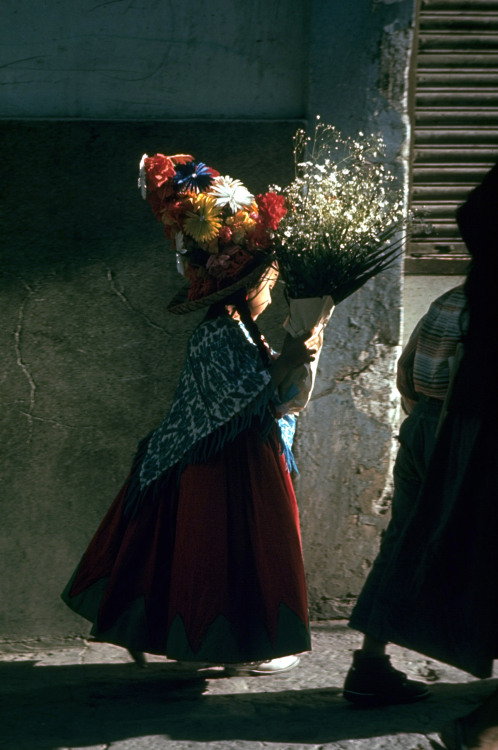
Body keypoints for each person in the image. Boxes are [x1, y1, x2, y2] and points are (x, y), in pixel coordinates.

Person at [61, 154, 318, 675]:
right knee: (230, 554)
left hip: (235, 461)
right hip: (224, 469)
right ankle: (241, 645)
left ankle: (242, 645)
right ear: (241, 284)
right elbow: (241, 397)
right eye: (265, 277)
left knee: (238, 558)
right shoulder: (218, 331)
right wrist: (290, 358)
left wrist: (291, 354)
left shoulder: (239, 328)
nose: (270, 284)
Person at [343, 161, 498, 740]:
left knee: (403, 541)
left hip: (420, 431)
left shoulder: (445, 306)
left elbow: (408, 375)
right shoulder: (477, 313)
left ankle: (369, 661)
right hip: (459, 438)